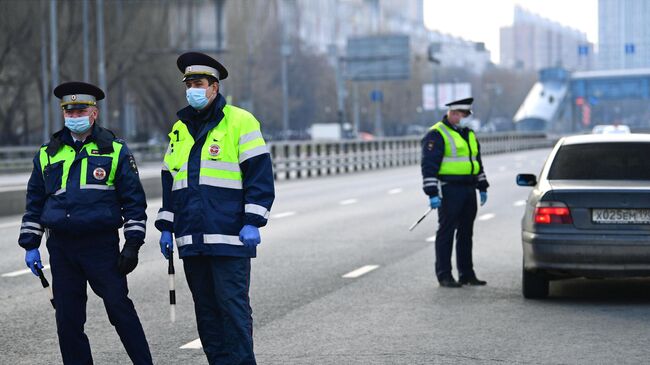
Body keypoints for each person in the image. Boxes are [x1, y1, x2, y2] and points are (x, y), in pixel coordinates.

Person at [18, 81, 153, 364]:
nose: (74, 117)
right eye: (69, 111)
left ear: (94, 113)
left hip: (100, 246)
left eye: (81, 111)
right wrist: (30, 244)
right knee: (68, 320)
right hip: (62, 248)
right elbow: (35, 203)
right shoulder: (48, 153)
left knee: (119, 310)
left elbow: (134, 202)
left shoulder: (115, 150)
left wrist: (133, 244)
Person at [155, 52, 275, 365]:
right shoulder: (180, 128)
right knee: (207, 315)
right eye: (189, 83)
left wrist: (253, 220)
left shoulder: (239, 121)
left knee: (233, 311)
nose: (193, 89)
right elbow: (171, 179)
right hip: (192, 239)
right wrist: (166, 225)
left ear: (214, 87)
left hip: (229, 237)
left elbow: (259, 175)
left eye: (199, 83)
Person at [421, 97, 489, 288]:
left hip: (468, 189)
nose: (465, 119)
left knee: (466, 233)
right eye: (462, 115)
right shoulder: (437, 134)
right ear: (453, 113)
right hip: (449, 189)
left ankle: (467, 274)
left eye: (467, 115)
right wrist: (432, 192)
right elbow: (429, 166)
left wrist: (482, 186)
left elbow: (476, 162)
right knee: (447, 232)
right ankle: (444, 275)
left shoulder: (469, 134)